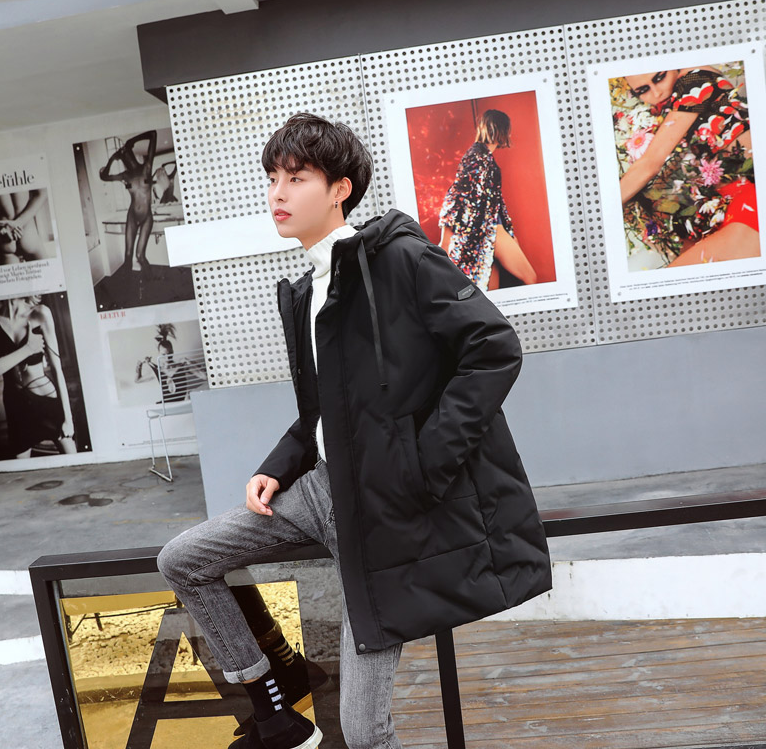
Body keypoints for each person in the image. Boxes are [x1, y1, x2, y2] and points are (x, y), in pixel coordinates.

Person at [157, 113, 551, 749]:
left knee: (365, 734)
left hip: (382, 511)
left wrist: (424, 464)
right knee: (183, 559)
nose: (277, 193)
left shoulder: (400, 258)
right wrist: (277, 465)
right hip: (319, 489)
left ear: (340, 189)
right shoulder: (304, 290)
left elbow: (495, 348)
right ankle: (275, 713)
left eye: (296, 178)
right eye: (272, 178)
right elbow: (321, 410)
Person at [617, 65, 757, 266]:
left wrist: (602, 207)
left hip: (750, 196)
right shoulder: (669, 109)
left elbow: (650, 164)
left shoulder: (695, 79)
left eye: (659, 78)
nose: (656, 93)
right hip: (725, 207)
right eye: (643, 90)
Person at [438, 109, 537, 290]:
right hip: (489, 231)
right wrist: (446, 236)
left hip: (492, 229)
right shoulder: (477, 156)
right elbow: (456, 193)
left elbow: (494, 200)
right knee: (530, 277)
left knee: (491, 291)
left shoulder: (482, 156)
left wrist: (509, 232)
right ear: (501, 130)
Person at [0, 295, 76, 458]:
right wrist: (28, 349)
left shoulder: (40, 313)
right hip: (15, 404)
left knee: (74, 462)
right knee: (23, 467)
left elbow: (57, 368)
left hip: (45, 398)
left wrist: (68, 418)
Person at [99, 130, 158, 275]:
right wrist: (112, 159)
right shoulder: (125, 176)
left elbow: (153, 134)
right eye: (122, 156)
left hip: (146, 217)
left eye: (127, 153)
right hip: (132, 216)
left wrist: (132, 141)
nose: (126, 158)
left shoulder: (147, 167)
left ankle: (151, 279)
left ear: (131, 153)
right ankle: (128, 286)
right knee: (128, 256)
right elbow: (104, 177)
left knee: (140, 256)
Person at [135, 323, 207, 403]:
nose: (167, 357)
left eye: (169, 354)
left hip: (182, 404)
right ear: (159, 354)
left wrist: (191, 362)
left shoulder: (182, 366)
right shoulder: (157, 370)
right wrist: (139, 366)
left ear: (173, 352)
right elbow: (137, 380)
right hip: (167, 406)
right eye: (163, 354)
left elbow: (205, 377)